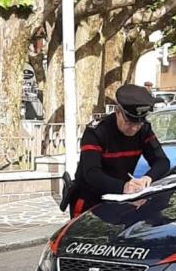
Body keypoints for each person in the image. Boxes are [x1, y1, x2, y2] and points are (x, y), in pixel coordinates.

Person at [65, 85, 170, 218]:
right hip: (90, 201)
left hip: (120, 202)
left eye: (138, 124)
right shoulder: (97, 132)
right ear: (117, 111)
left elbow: (162, 161)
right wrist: (124, 187)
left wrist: (147, 178)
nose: (133, 129)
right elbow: (92, 173)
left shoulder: (143, 130)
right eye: (129, 123)